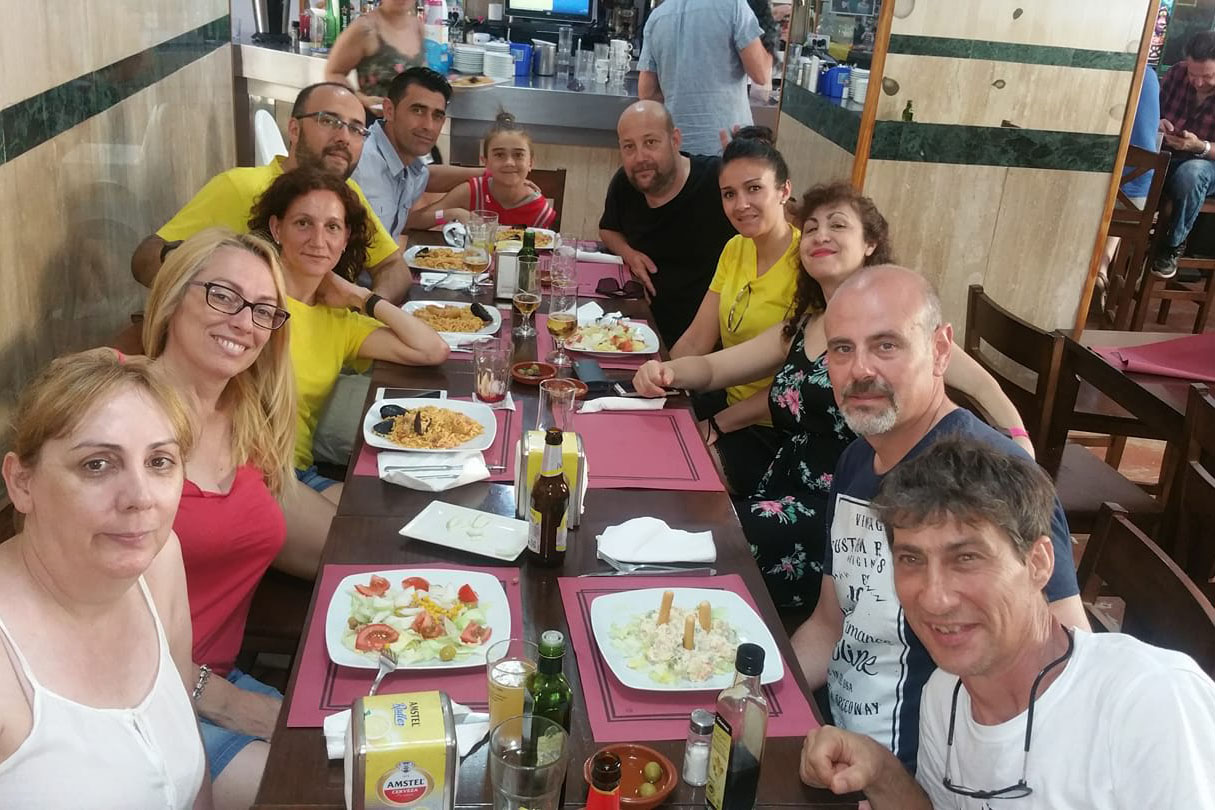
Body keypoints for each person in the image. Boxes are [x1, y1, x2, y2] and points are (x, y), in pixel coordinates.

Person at [634, 185, 1031, 610]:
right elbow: (715, 368)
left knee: (706, 540)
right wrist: (667, 372)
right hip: (782, 481)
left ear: (870, 243)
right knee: (671, 493)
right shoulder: (803, 326)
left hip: (848, 509)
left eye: (837, 225)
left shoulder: (901, 328)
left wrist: (1022, 453)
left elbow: (984, 388)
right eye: (811, 228)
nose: (821, 235)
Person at [800, 437, 1215, 809]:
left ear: (1039, 563)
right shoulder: (945, 694)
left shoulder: (1150, 701)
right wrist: (879, 770)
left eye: (967, 558)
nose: (935, 598)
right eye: (911, 559)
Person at [790, 264, 1088, 771]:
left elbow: (1068, 671)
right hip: (833, 738)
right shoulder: (857, 459)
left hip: (925, 775)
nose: (860, 370)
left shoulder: (991, 479)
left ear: (941, 350)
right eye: (842, 349)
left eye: (886, 345)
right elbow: (828, 623)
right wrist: (755, 691)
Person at [141, 228, 331, 810]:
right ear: (173, 296)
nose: (244, 322)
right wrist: (230, 703)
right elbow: (83, 621)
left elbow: (303, 531)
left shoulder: (248, 416)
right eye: (222, 295)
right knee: (323, 792)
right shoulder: (119, 415)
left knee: (387, 760)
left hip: (214, 681)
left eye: (264, 310)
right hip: (131, 700)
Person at [0, 349, 206, 808]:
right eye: (97, 464)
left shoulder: (159, 564)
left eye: (160, 462)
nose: (140, 497)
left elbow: (189, 750)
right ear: (22, 483)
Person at [248, 166, 449, 496]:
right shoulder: (249, 297)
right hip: (247, 474)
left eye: (332, 227)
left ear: (344, 240)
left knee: (389, 515)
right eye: (303, 223)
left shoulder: (340, 321)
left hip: (297, 472)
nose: (318, 241)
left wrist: (362, 297)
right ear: (276, 228)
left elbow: (432, 349)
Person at [132, 82, 412, 302]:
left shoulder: (347, 194)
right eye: (329, 121)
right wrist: (221, 288)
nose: (343, 137)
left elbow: (392, 267)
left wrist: (365, 306)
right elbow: (145, 259)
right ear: (294, 129)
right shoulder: (239, 186)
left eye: (356, 129)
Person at [672, 126, 800, 496]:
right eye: (729, 194)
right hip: (726, 402)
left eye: (754, 188)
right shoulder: (735, 248)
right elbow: (697, 340)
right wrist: (660, 380)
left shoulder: (807, 265)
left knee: (682, 475)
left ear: (784, 191)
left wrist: (716, 425)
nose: (740, 204)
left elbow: (791, 387)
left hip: (776, 428)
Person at [599, 101, 736, 346]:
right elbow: (608, 229)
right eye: (629, 147)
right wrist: (629, 253)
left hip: (705, 338)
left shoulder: (717, 181)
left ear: (675, 140)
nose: (640, 158)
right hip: (638, 327)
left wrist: (752, 171)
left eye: (650, 142)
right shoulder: (624, 183)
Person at [350, 68, 492, 242]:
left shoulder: (406, 163)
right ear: (389, 110)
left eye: (437, 116)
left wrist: (489, 174)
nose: (428, 126)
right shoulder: (358, 163)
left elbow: (427, 176)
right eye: (417, 111)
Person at [637, 0, 773, 156]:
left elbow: (647, 93)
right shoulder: (734, 6)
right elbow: (760, 74)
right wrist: (772, 41)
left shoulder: (657, 17)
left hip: (678, 148)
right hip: (727, 147)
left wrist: (679, 92)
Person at [422, 111, 558, 229]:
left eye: (518, 155)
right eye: (499, 155)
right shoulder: (471, 192)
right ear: (485, 162)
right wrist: (449, 215)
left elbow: (544, 249)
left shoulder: (539, 210)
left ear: (530, 163)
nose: (509, 162)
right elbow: (414, 220)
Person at [1153, 30, 1215, 280]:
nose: (1198, 82)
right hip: (1168, 156)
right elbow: (1152, 112)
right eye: (1193, 74)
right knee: (1138, 161)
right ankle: (1121, 242)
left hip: (1207, 165)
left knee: (1193, 172)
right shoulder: (1177, 73)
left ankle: (1172, 245)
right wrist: (1158, 123)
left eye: (1208, 76)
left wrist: (1200, 146)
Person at [324, 0, 425, 113]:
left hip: (410, 119)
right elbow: (333, 73)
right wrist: (361, 99)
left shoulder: (417, 26)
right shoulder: (365, 28)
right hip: (376, 118)